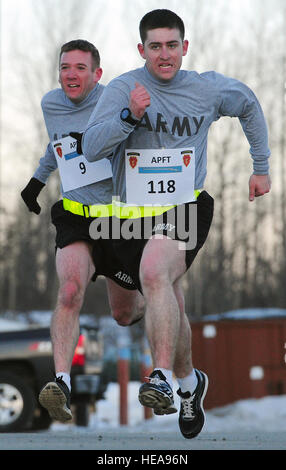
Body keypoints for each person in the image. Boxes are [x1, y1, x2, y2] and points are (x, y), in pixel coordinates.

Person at [81, 10, 271, 439]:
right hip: (129, 215)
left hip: (184, 204)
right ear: (141, 49)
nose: (164, 54)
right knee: (127, 310)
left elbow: (249, 105)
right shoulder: (121, 89)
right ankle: (190, 382)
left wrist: (260, 166)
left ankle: (162, 376)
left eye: (172, 45)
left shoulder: (206, 89)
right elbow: (91, 147)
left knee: (154, 273)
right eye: (155, 46)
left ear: (184, 47)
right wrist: (128, 116)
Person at [21, 39, 144, 423]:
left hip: (119, 218)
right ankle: (60, 382)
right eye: (65, 67)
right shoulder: (50, 103)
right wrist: (37, 181)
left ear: (97, 74)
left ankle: (152, 292)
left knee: (123, 314)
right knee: (70, 290)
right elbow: (57, 145)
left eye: (79, 68)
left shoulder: (114, 101)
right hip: (75, 214)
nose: (70, 75)